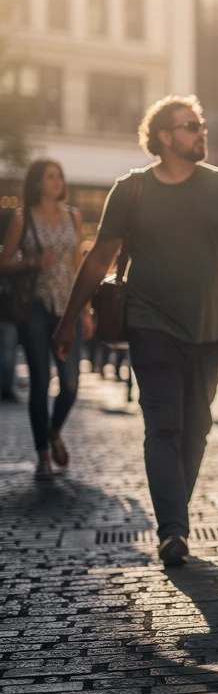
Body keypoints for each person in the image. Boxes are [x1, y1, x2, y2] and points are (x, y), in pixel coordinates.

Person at [53, 95, 218, 567]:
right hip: (150, 324)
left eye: (201, 125)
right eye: (190, 126)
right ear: (164, 137)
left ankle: (175, 510)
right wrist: (70, 317)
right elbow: (99, 258)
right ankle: (173, 528)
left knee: (196, 427)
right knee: (164, 424)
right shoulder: (131, 190)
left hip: (209, 328)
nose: (201, 133)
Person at [1, 160, 93, 477]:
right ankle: (42, 454)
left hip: (67, 307)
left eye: (60, 176)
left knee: (70, 383)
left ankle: (55, 431)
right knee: (41, 381)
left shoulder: (74, 216)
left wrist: (86, 310)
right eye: (50, 177)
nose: (57, 181)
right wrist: (33, 261)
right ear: (38, 183)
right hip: (36, 307)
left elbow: (78, 266)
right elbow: (5, 261)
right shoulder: (21, 218)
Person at [0, 203, 19, 402]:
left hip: (8, 312)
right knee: (7, 351)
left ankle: (7, 387)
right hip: (7, 312)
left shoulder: (16, 256)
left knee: (8, 351)